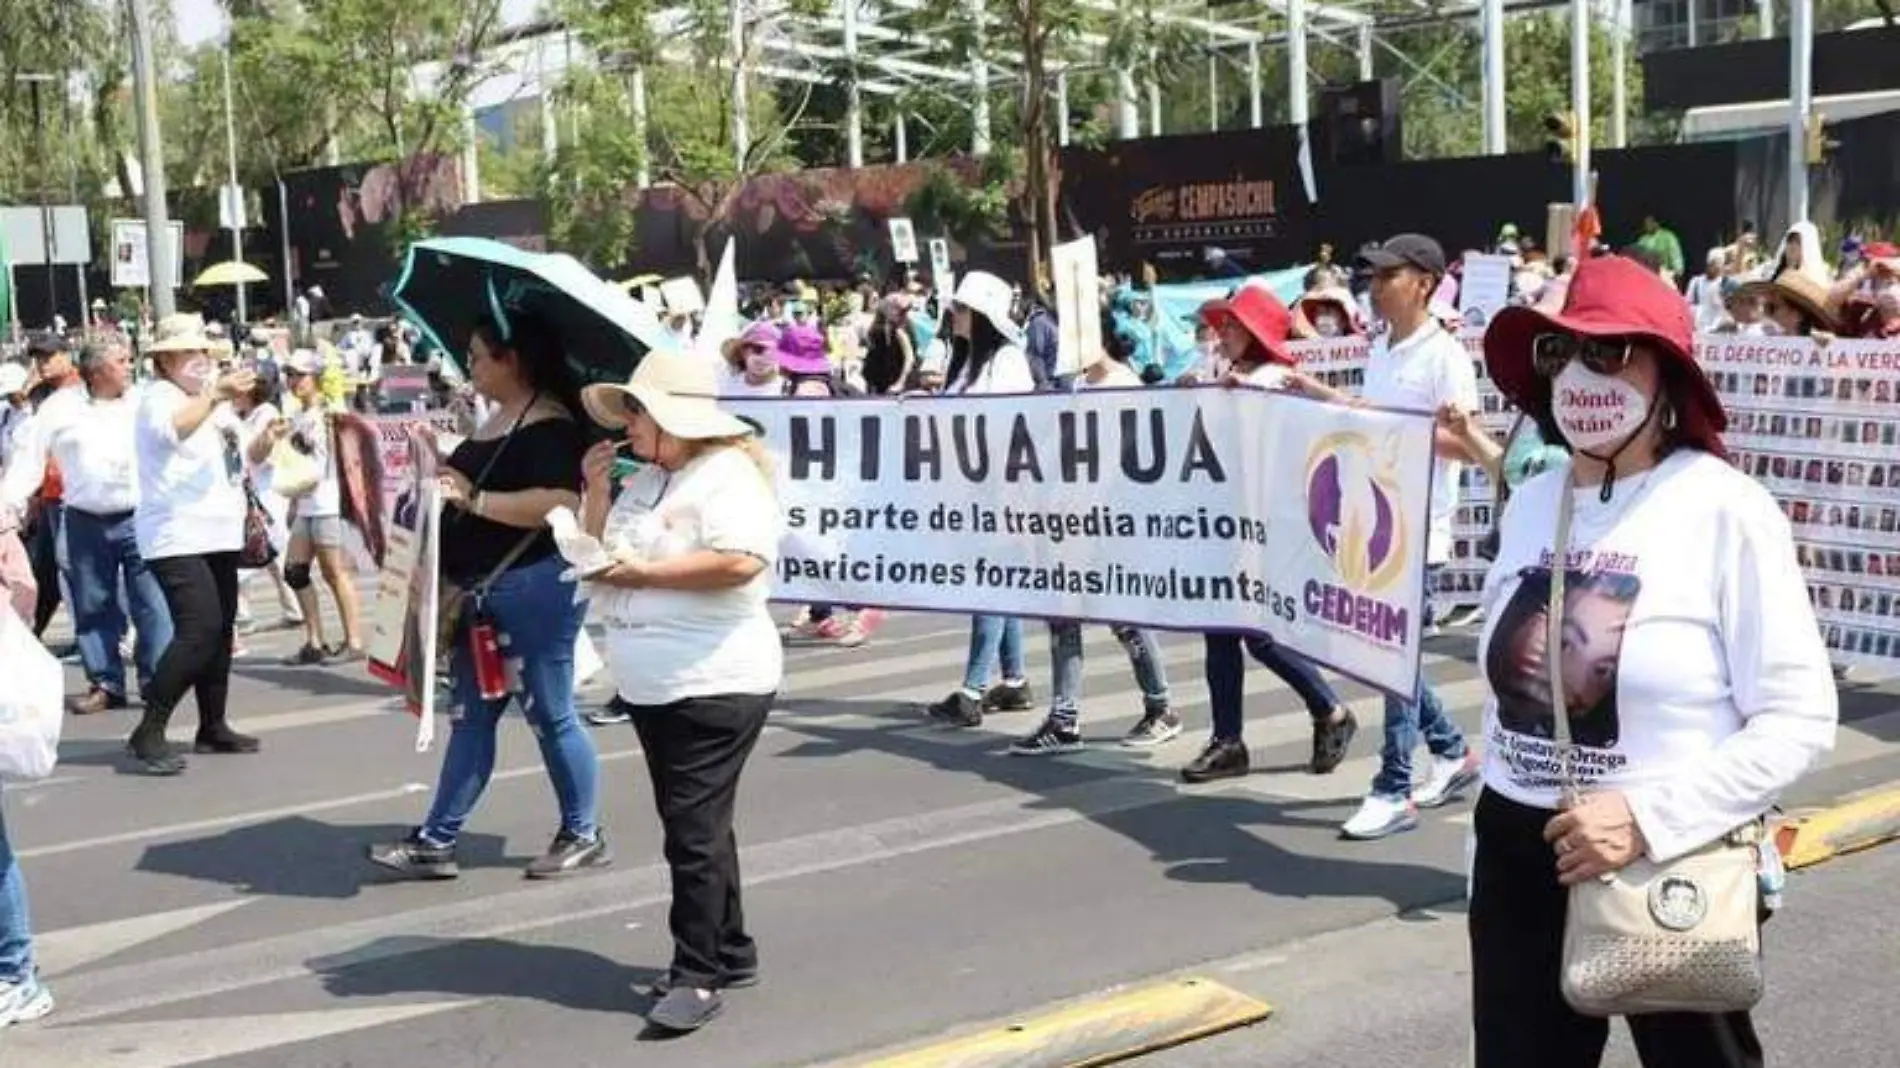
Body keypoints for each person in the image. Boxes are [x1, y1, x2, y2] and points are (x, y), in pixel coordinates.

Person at [1468, 253, 1838, 1067]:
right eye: (1557, 352)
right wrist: (1493, 800)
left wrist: (1645, 819)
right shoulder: (1532, 503)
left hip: (1673, 854)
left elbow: (1799, 717)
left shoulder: (1725, 510)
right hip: (1521, 853)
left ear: (1666, 376)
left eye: (1608, 351)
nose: (1579, 375)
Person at [577, 349, 784, 1034]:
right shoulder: (648, 480)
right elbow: (598, 552)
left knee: (691, 831)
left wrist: (643, 577)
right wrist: (598, 493)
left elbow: (739, 560)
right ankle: (730, 946)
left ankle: (696, 975)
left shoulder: (726, 476)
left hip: (713, 679)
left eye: (636, 412)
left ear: (673, 418)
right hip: (655, 682)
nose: (627, 426)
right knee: (696, 821)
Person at [368, 312, 605, 881]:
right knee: (471, 716)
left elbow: (558, 506)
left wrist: (473, 500)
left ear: (512, 360)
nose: (468, 367)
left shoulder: (549, 423)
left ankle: (584, 830)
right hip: (483, 592)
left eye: (477, 356)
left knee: (551, 712)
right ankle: (437, 838)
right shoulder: (502, 417)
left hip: (533, 587)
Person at [1292, 234, 1482, 838]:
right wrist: (1320, 396)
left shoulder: (1443, 355)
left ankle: (1394, 786)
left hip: (1417, 529)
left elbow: (1466, 443)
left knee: (1390, 657)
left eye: (1387, 277)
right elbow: (1370, 412)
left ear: (1423, 282)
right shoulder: (1385, 349)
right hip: (1371, 527)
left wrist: (1393, 431)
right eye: (1371, 278)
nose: (1374, 288)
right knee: (1382, 658)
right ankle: (1451, 751)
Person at [1180, 284, 1356, 783]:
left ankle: (1329, 708)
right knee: (1220, 630)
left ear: (1256, 331)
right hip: (1225, 518)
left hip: (1264, 524)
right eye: (1223, 324)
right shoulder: (1231, 376)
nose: (1224, 332)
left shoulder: (1275, 379)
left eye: (1234, 324)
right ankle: (1228, 739)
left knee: (1259, 634)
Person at [1011, 318, 1179, 755]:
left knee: (1122, 616)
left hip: (1109, 521)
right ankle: (1065, 718)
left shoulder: (1124, 385)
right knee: (1063, 614)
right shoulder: (1081, 384)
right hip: (1071, 518)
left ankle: (1160, 706)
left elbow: (1126, 460)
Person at [2, 340, 172, 714]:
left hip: (139, 515)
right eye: (121, 361)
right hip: (83, 518)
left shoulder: (143, 402)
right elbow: (28, 462)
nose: (129, 366)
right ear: (96, 372)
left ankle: (157, 682)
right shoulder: (59, 408)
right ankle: (106, 682)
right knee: (93, 603)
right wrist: (5, 506)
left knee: (152, 603)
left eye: (129, 360)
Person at [127, 315, 262, 775]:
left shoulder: (215, 405)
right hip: (175, 532)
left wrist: (267, 441)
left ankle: (213, 725)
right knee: (198, 629)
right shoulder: (158, 398)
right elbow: (174, 429)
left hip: (218, 530)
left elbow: (241, 456)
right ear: (165, 360)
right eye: (190, 353)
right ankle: (150, 727)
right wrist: (216, 393)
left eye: (203, 353)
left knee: (220, 629)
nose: (201, 361)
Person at [929, 272, 1037, 727]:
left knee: (989, 584)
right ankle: (1013, 681)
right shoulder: (969, 360)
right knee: (999, 583)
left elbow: (1013, 426)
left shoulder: (1008, 361)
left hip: (1003, 490)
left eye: (962, 308)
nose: (954, 314)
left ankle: (972, 688)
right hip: (971, 489)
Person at [254, 350, 366, 663]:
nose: (293, 381)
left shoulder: (330, 413)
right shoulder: (297, 414)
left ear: (316, 378)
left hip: (327, 502)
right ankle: (314, 641)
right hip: (305, 503)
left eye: (299, 375)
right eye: (289, 375)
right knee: (295, 571)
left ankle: (354, 641)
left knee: (335, 573)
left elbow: (339, 458)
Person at [715, 322, 784, 399]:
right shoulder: (728, 384)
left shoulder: (786, 392)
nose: (765, 358)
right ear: (743, 351)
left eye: (773, 352)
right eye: (758, 349)